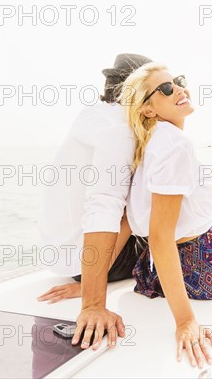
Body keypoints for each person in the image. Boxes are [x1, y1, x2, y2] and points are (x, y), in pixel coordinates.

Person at [120, 62, 212, 368]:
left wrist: (91, 283)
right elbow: (159, 235)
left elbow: (129, 221)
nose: (180, 89)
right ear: (148, 109)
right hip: (205, 267)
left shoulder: (150, 141)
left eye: (179, 81)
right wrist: (185, 321)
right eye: (167, 88)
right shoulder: (175, 146)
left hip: (156, 271)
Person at [37, 53, 152, 351]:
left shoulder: (93, 116)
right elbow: (108, 209)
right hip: (93, 263)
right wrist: (92, 301)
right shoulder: (120, 131)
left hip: (66, 255)